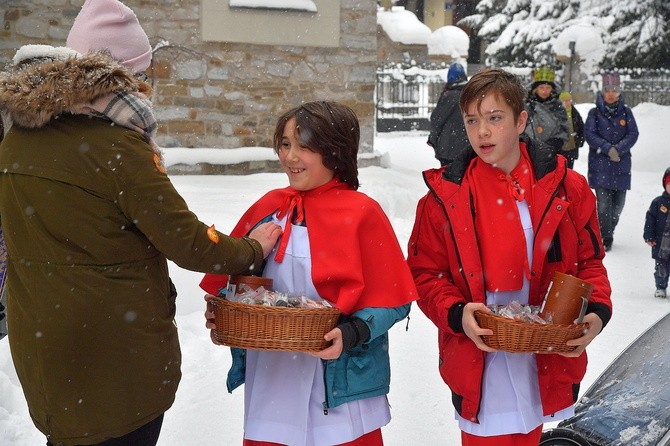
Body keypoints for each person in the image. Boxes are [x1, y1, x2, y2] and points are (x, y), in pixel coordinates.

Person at [0, 1, 282, 445]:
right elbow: (190, 242)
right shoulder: (117, 147)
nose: (146, 85)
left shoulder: (18, 136)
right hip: (112, 351)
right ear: (119, 74)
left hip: (43, 338)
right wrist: (252, 248)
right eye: (142, 73)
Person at [406, 68, 612, 446]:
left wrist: (596, 312)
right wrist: (457, 313)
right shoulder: (443, 198)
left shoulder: (566, 187)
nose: (482, 131)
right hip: (480, 357)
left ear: (520, 121)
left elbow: (589, 262)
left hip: (543, 357)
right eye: (472, 120)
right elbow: (425, 273)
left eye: (494, 118)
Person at [200, 101, 417, 446]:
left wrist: (353, 332)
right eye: (285, 144)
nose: (290, 157)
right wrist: (223, 311)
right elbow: (236, 287)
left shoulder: (363, 213)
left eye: (305, 146)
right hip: (274, 377)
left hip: (339, 382)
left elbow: (395, 299)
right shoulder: (269, 208)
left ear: (335, 151)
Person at [585, 71, 639, 252]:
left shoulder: (626, 112)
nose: (610, 93)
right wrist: (608, 149)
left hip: (621, 166)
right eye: (607, 90)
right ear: (602, 92)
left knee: (618, 205)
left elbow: (633, 133)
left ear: (619, 92)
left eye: (614, 90)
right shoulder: (594, 113)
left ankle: (609, 229)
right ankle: (605, 236)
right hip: (600, 165)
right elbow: (590, 135)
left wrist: (620, 149)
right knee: (604, 204)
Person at [522, 66, 570, 162]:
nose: (545, 91)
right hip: (528, 151)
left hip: (552, 153)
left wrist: (555, 143)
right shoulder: (526, 106)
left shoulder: (558, 107)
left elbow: (564, 128)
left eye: (548, 87)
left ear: (552, 89)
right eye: (541, 87)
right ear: (535, 89)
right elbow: (520, 126)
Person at [427, 62, 470, 166]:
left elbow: (437, 120)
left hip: (449, 148)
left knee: (449, 178)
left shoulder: (450, 96)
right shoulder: (471, 94)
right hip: (469, 148)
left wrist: (433, 140)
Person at [643, 168, 670, 299]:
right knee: (661, 269)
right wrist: (649, 236)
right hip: (661, 245)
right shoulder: (658, 203)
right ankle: (661, 287)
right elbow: (650, 220)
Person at [558, 91, 585, 169]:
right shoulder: (556, 113)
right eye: (564, 101)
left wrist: (580, 141)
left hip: (572, 149)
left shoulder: (574, 113)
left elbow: (582, 128)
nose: (567, 103)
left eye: (569, 100)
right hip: (560, 150)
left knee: (570, 172)